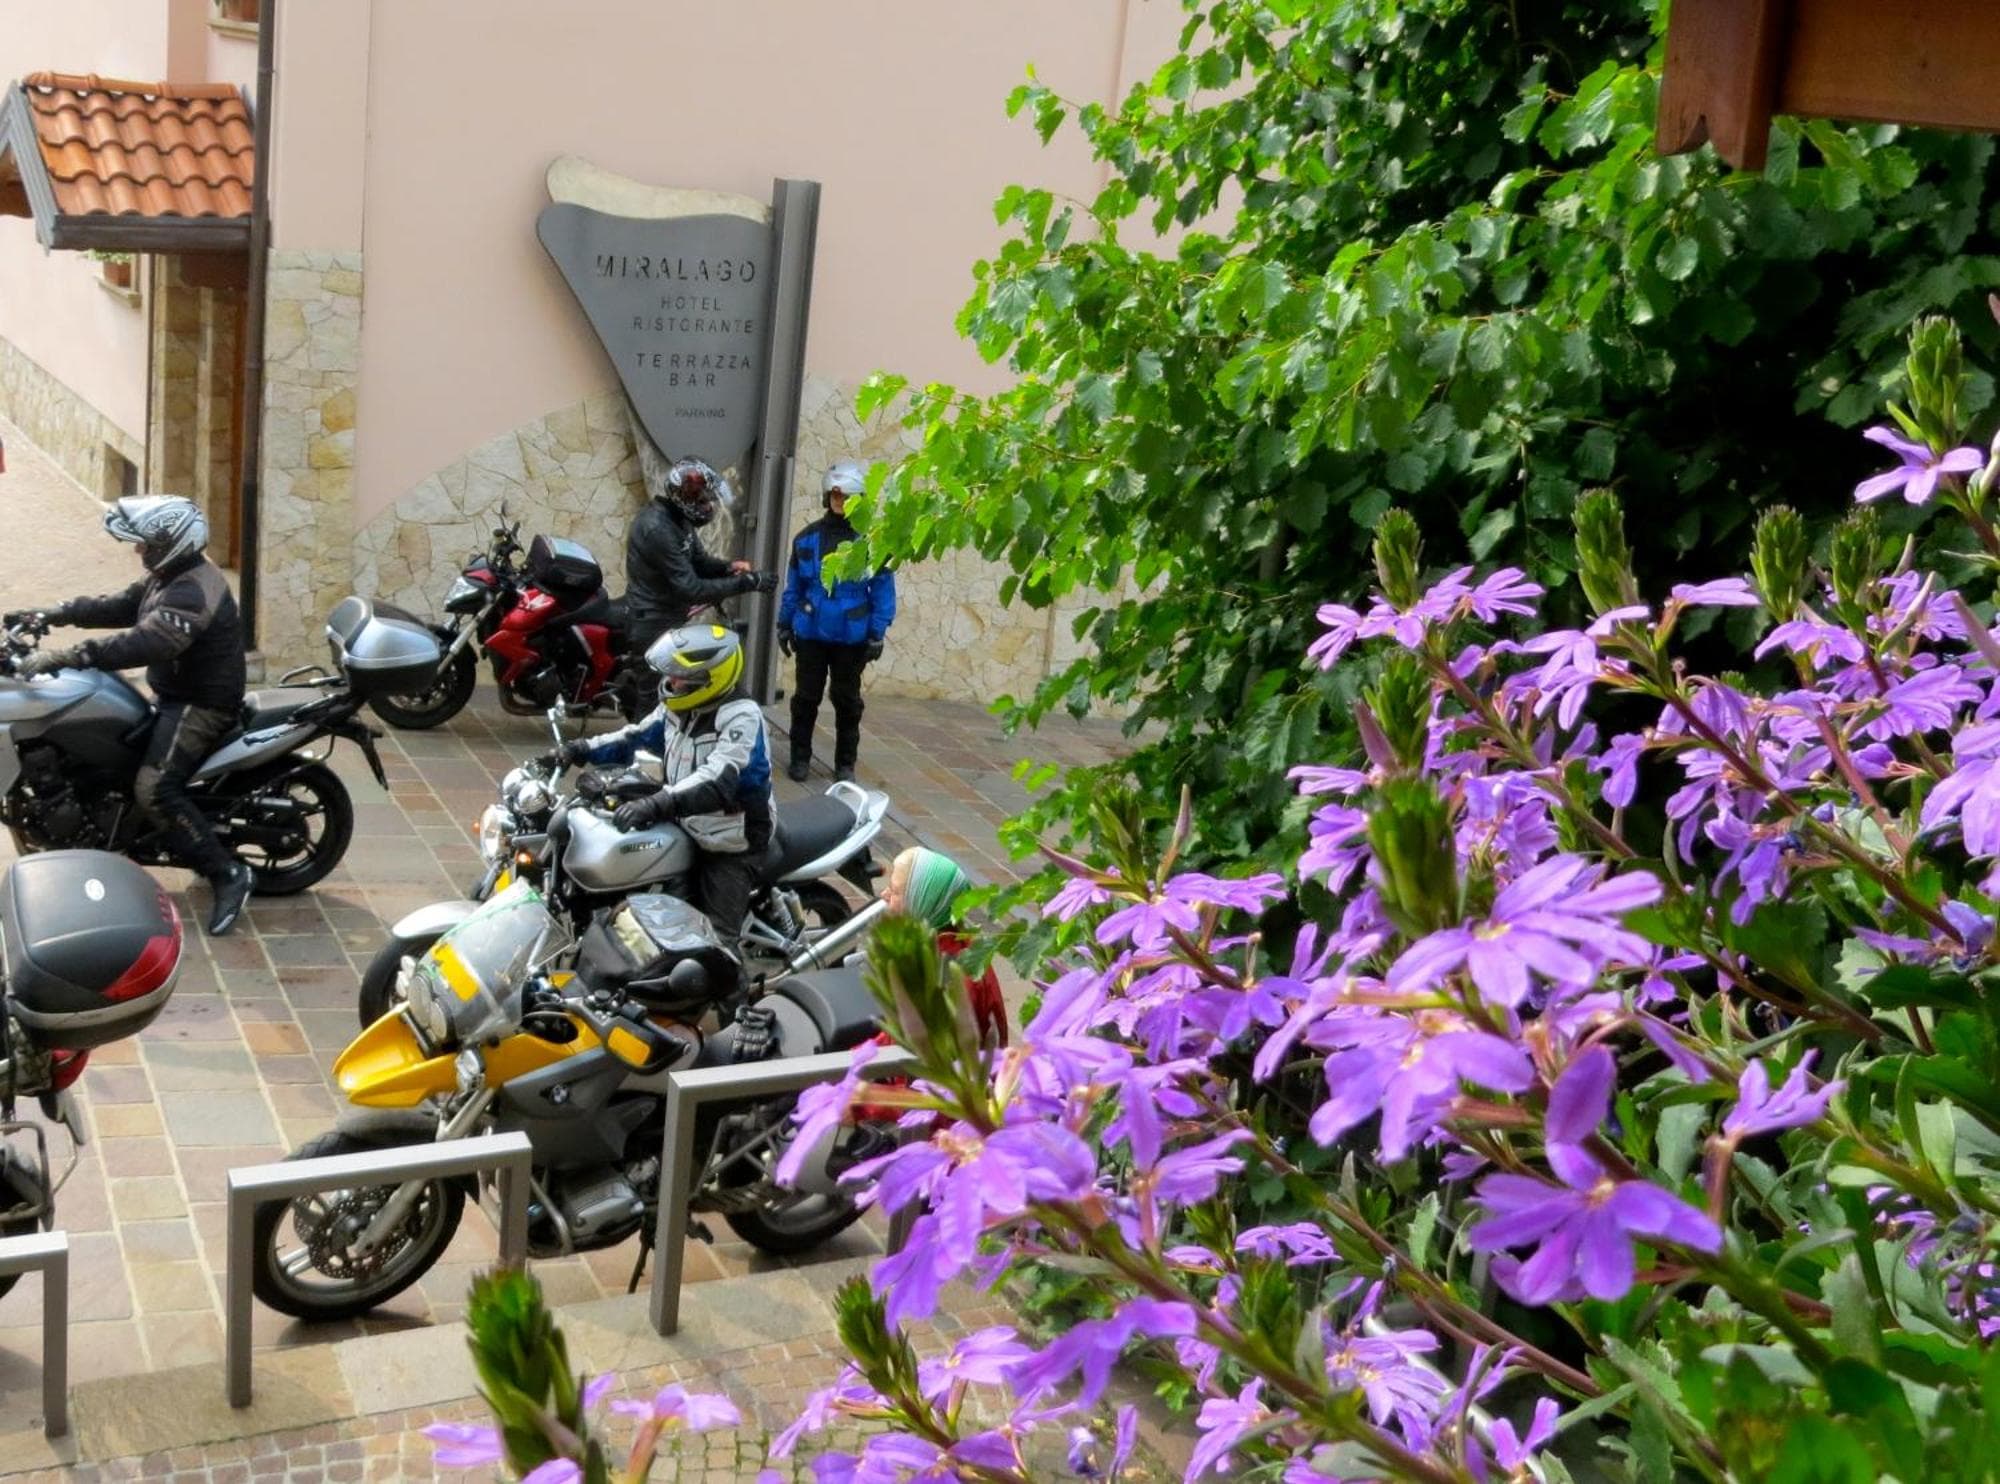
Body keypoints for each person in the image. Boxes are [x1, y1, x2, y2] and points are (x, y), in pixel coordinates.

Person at [7, 495, 254, 935]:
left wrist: (69, 655)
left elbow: (143, 643)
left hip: (200, 704)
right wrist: (54, 613)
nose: (139, 550)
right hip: (173, 691)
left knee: (154, 789)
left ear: (172, 544)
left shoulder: (191, 591)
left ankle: (227, 872)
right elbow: (121, 605)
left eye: (146, 544)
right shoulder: (171, 575)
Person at [544, 623, 772, 946]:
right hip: (686, 823)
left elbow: (718, 778)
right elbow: (634, 737)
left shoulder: (742, 717)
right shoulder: (679, 706)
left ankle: (729, 978)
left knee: (714, 943)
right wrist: (580, 749)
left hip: (731, 841)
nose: (671, 682)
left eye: (680, 676)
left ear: (710, 678)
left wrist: (656, 803)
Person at [776, 460, 896, 784]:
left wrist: (877, 632)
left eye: (846, 497)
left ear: (859, 499)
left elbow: (883, 589)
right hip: (811, 632)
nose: (839, 501)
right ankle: (800, 757)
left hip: (851, 636)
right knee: (805, 699)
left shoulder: (872, 543)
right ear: (827, 496)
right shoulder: (806, 539)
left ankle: (845, 765)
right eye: (835, 495)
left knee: (847, 702)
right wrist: (784, 623)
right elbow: (794, 586)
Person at [624, 457, 775, 711]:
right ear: (682, 495)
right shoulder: (658, 529)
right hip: (652, 622)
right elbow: (690, 588)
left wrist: (728, 568)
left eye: (707, 499)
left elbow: (699, 561)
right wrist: (749, 582)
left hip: (668, 618)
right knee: (655, 703)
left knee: (672, 698)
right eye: (701, 499)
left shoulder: (679, 520)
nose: (706, 506)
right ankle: (644, 737)